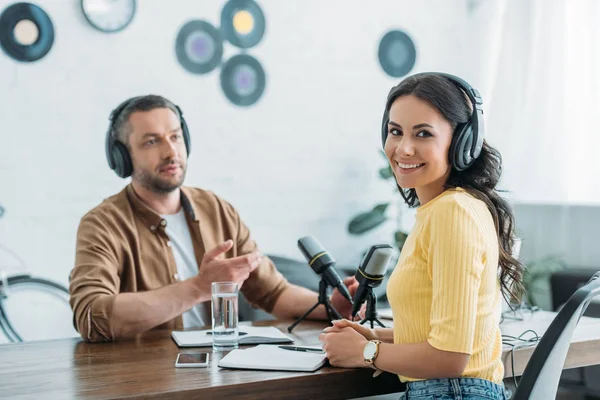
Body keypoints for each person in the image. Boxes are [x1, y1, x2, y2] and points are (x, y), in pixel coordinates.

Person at [69, 95, 357, 342]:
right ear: (123, 157)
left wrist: (330, 307)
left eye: (175, 137)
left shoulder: (216, 209)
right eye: (151, 142)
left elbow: (273, 292)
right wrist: (197, 288)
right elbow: (92, 316)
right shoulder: (102, 224)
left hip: (217, 372)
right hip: (144, 380)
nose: (170, 152)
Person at [319, 73, 523, 400]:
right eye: (395, 131)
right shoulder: (449, 208)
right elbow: (439, 336)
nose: (404, 148)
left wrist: (366, 352)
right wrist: (372, 336)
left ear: (462, 142)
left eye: (423, 133)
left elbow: (450, 358)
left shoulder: (452, 213)